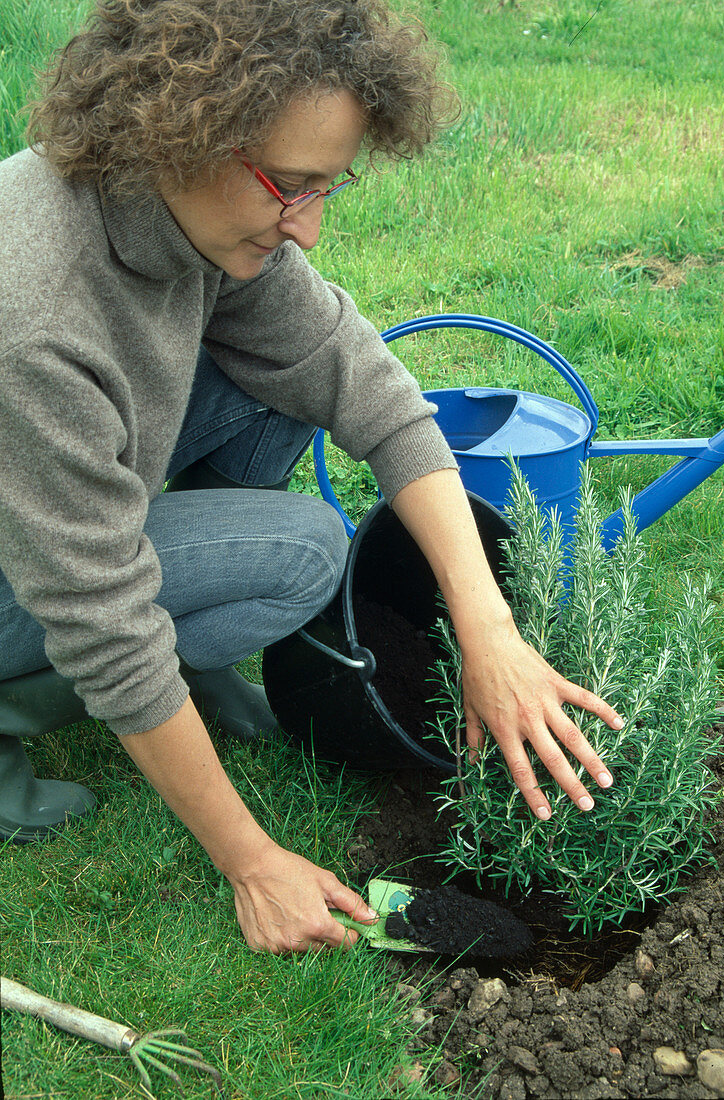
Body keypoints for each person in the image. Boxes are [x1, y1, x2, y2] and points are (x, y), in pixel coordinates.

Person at [0, 0, 624, 954]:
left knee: (292, 376)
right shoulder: (40, 314)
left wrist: (487, 628)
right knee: (300, 552)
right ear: (184, 130)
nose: (311, 229)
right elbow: (102, 619)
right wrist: (255, 863)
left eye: (329, 188)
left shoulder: (186, 212)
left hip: (45, 496)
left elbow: (362, 381)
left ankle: (197, 668)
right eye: (290, 187)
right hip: (25, 541)